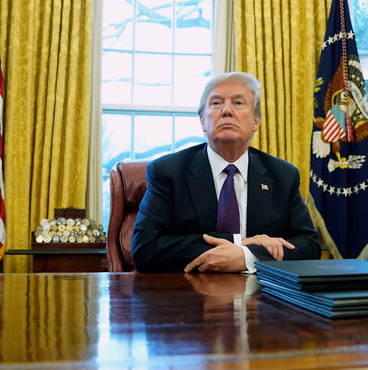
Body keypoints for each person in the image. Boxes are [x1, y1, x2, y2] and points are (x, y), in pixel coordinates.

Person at [132, 72, 321, 272]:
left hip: (261, 298)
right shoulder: (168, 172)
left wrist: (248, 256)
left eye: (238, 103)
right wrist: (239, 242)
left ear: (255, 121)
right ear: (203, 122)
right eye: (216, 103)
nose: (226, 110)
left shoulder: (282, 175)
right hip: (189, 294)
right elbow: (144, 249)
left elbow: (309, 246)